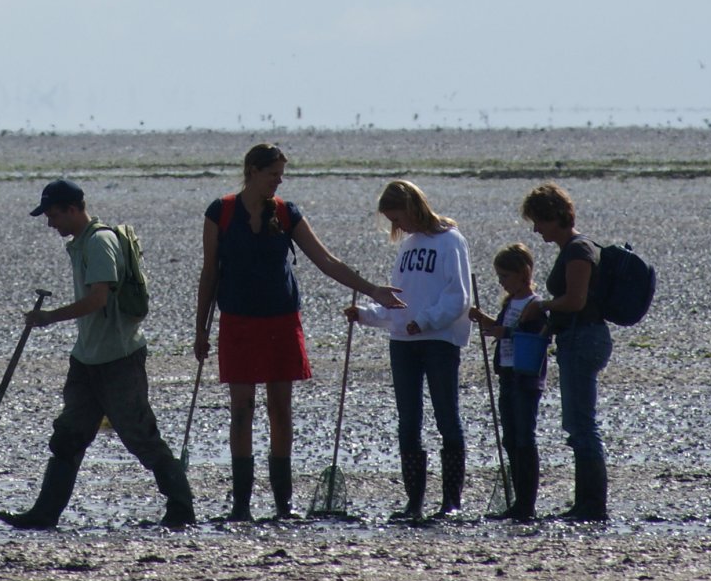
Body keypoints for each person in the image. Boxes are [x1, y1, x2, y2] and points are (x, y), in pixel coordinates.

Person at [194, 143, 403, 521]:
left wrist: (373, 290)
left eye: (280, 174)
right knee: (241, 410)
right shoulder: (220, 211)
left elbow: (326, 260)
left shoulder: (287, 213)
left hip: (280, 320)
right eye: (273, 173)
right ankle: (241, 504)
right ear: (253, 171)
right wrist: (200, 330)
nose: (279, 180)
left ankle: (282, 504)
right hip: (238, 320)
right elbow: (209, 273)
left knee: (280, 409)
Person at [0, 180, 198, 529]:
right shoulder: (81, 244)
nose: (50, 223)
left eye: (54, 214)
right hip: (87, 359)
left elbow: (98, 300)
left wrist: (48, 317)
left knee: (141, 437)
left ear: (74, 208)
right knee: (68, 437)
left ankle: (182, 508)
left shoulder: (101, 241)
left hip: (118, 360)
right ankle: (43, 515)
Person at [347, 179, 474, 521]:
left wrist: (426, 321)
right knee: (408, 422)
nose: (396, 226)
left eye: (397, 217)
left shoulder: (451, 241)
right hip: (403, 342)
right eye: (391, 220)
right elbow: (396, 302)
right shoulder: (407, 246)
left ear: (412, 206)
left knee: (447, 417)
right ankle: (414, 501)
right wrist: (365, 315)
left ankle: (451, 501)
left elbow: (459, 296)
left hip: (439, 341)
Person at [516, 182, 609, 522]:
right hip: (576, 338)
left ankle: (592, 505)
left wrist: (542, 305)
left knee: (581, 424)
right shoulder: (572, 248)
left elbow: (576, 300)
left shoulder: (578, 250)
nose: (536, 229)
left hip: (584, 339)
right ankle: (586, 503)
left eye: (538, 221)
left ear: (554, 216)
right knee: (577, 422)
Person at [468, 241, 549, 521]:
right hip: (507, 375)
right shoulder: (511, 303)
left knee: (525, 438)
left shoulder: (535, 305)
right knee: (511, 439)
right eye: (499, 276)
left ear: (523, 273)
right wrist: (484, 320)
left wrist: (503, 331)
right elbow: (503, 329)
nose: (501, 282)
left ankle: (527, 503)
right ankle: (518, 501)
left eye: (505, 276)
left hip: (525, 377)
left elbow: (529, 335)